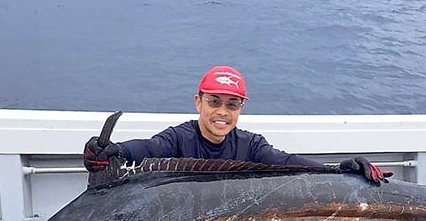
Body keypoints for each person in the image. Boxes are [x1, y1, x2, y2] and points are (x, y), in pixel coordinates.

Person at [83, 65, 392, 185]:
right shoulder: (179, 137)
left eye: (232, 104)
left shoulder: (251, 144)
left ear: (241, 108)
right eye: (214, 101)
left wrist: (338, 170)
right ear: (198, 102)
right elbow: (149, 148)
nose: (222, 112)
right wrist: (115, 151)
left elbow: (286, 162)